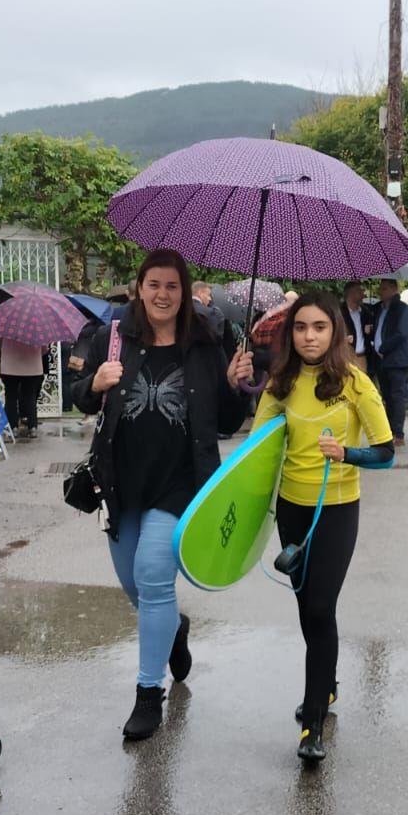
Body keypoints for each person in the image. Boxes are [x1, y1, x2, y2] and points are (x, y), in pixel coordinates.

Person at [70, 249, 253, 741]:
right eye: (154, 284)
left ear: (184, 291)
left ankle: (148, 694)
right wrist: (95, 383)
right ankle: (174, 631)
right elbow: (79, 397)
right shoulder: (115, 337)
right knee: (136, 588)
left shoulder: (205, 342)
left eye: (172, 286)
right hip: (122, 481)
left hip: (181, 482)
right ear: (140, 287)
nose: (162, 294)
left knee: (153, 576)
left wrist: (237, 386)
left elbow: (228, 422)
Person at [253, 293, 392, 762]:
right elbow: (256, 447)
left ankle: (313, 724)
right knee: (306, 609)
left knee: (319, 607)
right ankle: (326, 685)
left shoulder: (354, 383)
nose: (309, 336)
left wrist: (348, 454)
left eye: (319, 327)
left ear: (335, 333)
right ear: (289, 334)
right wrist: (239, 387)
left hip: (335, 512)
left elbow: (386, 451)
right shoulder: (282, 381)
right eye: (300, 328)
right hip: (291, 510)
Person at [370, 277, 408, 446]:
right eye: (381, 288)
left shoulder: (401, 309)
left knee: (397, 396)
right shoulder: (380, 309)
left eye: (385, 288)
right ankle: (388, 431)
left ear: (394, 290)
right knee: (386, 396)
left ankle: (398, 432)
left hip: (396, 359)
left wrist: (382, 347)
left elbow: (401, 333)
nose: (381, 292)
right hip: (382, 361)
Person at [0, 337, 45, 439]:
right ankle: (32, 426)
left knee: (11, 397)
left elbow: (0, 342)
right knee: (30, 397)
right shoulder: (37, 328)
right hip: (32, 365)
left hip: (9, 365)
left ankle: (12, 426)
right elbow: (45, 348)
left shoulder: (7, 326)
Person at [342, 282, 372, 373]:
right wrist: (342, 339)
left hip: (362, 358)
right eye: (360, 292)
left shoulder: (365, 312)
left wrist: (371, 329)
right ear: (351, 294)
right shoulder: (339, 312)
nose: (363, 295)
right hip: (345, 358)